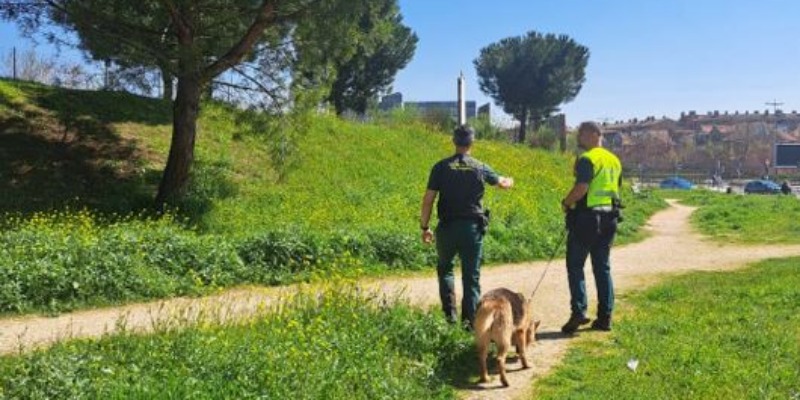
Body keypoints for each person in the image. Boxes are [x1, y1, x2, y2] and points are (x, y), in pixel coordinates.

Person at [420, 125, 514, 328]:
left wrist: (425, 227)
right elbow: (503, 184)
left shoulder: (440, 167)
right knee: (471, 277)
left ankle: (450, 318)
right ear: (472, 142)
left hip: (446, 228)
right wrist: (509, 180)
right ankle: (470, 324)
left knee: (445, 270)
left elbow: (428, 200)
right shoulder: (480, 167)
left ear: (454, 141)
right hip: (472, 229)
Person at [560, 121, 622, 333]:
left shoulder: (587, 159)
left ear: (595, 134)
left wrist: (566, 202)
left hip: (587, 219)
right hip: (609, 218)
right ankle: (605, 317)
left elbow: (582, 187)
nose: (579, 138)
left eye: (582, 134)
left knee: (575, 265)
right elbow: (615, 189)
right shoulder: (614, 160)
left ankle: (579, 312)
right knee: (602, 267)